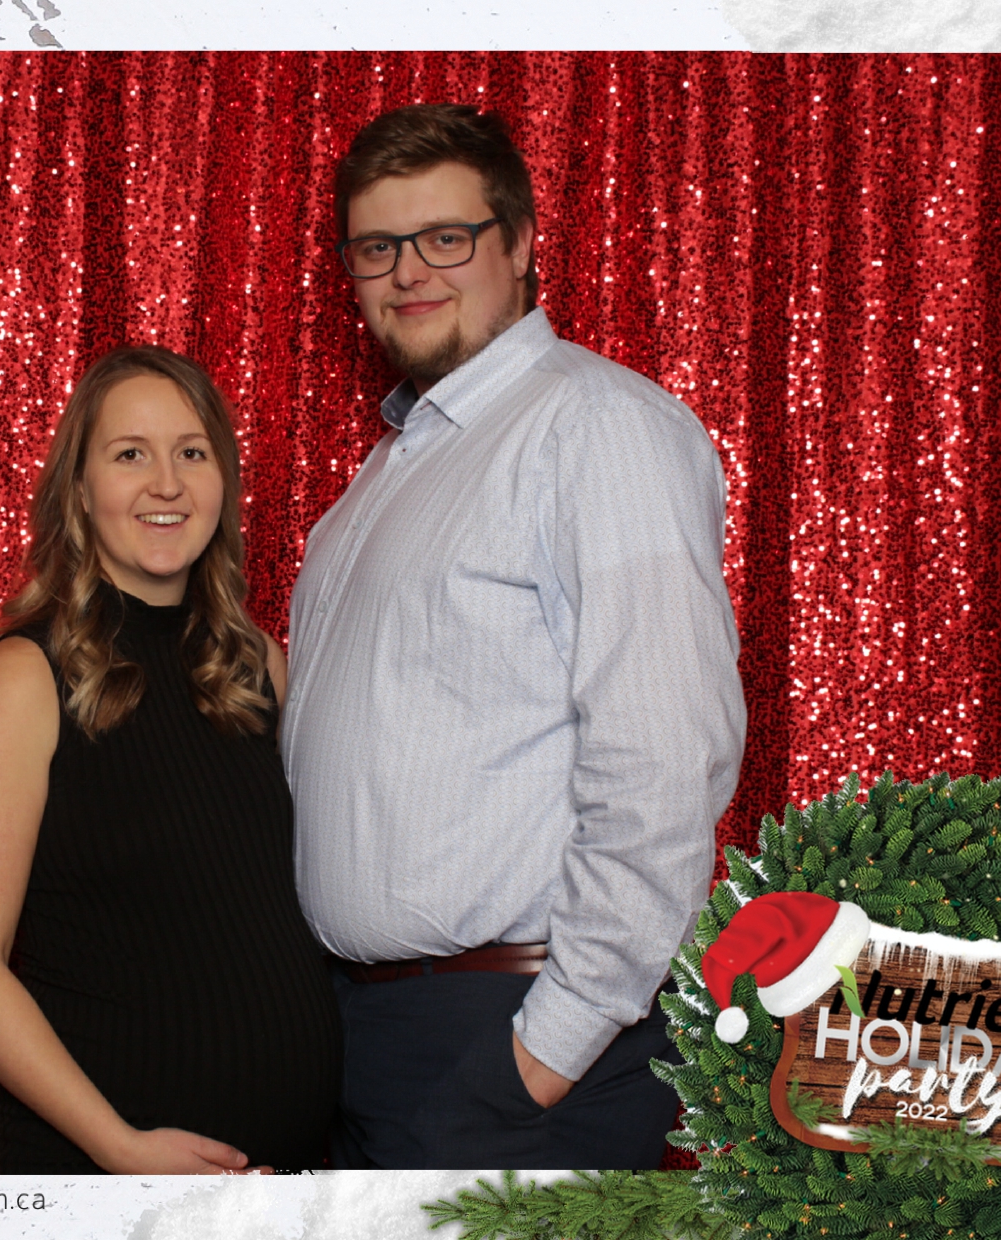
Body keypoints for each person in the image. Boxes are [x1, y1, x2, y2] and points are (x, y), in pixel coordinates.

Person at [280, 103, 747, 1169]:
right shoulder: (388, 473)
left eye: (446, 238)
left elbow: (664, 754)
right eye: (376, 248)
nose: (409, 271)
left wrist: (547, 1049)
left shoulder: (593, 426)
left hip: (515, 1042)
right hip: (365, 1037)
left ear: (522, 243)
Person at [0, 346, 340, 1173]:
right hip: (100, 1181)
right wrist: (122, 1149)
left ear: (223, 482)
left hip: (280, 1189)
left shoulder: (258, 664)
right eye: (129, 455)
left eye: (191, 452)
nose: (167, 484)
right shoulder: (27, 676)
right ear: (80, 491)